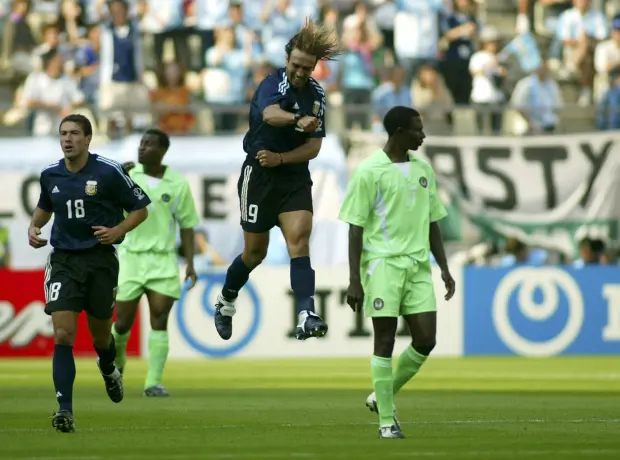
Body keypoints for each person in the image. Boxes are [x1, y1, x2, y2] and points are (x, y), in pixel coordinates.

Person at [213, 19, 342, 342]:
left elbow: (315, 146)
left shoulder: (316, 94)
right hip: (259, 175)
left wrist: (284, 158)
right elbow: (270, 115)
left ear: (314, 67)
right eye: (296, 64)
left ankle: (306, 314)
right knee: (254, 253)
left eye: (307, 67)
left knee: (299, 242)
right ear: (287, 60)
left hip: (293, 176)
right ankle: (226, 300)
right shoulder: (271, 84)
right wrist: (299, 120)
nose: (300, 71)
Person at [338, 106, 456, 439]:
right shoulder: (369, 171)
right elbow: (355, 228)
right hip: (383, 265)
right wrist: (354, 280)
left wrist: (444, 267)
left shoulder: (423, 169)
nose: (423, 135)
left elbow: (433, 221)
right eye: (418, 130)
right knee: (385, 340)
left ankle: (382, 394)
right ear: (400, 132)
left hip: (418, 265)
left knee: (426, 339)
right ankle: (387, 422)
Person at [28, 114, 150, 433]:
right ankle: (64, 409)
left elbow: (140, 209)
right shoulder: (50, 174)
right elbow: (46, 204)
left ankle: (108, 367)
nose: (67, 139)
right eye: (63, 133)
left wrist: (118, 230)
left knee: (100, 338)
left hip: (100, 261)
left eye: (74, 133)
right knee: (64, 333)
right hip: (64, 261)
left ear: (88, 138)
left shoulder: (108, 171)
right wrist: (34, 225)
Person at [112, 129, 199, 396]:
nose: (142, 148)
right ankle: (117, 369)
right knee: (123, 324)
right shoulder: (128, 175)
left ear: (163, 151)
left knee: (159, 319)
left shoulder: (178, 184)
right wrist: (118, 176)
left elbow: (187, 225)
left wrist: (191, 264)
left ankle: (153, 382)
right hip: (131, 258)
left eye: (149, 145)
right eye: (141, 143)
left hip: (163, 261)